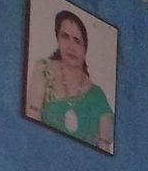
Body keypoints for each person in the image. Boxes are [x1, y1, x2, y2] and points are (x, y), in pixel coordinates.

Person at [23, 9, 113, 151]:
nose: (71, 46)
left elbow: (104, 151)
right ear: (58, 39)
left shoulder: (97, 96)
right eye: (65, 37)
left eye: (77, 41)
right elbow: (31, 125)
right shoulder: (44, 70)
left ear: (85, 48)